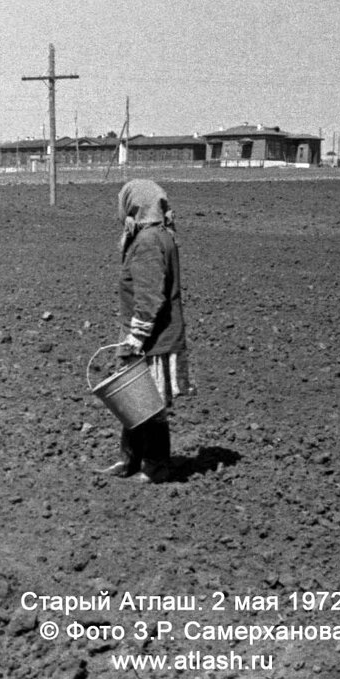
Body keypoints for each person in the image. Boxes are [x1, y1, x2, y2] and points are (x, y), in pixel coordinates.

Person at [100, 179, 192, 484]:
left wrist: (135, 338)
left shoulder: (150, 242)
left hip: (154, 338)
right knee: (134, 399)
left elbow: (150, 296)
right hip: (152, 334)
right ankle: (130, 460)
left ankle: (155, 465)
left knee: (149, 403)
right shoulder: (151, 235)